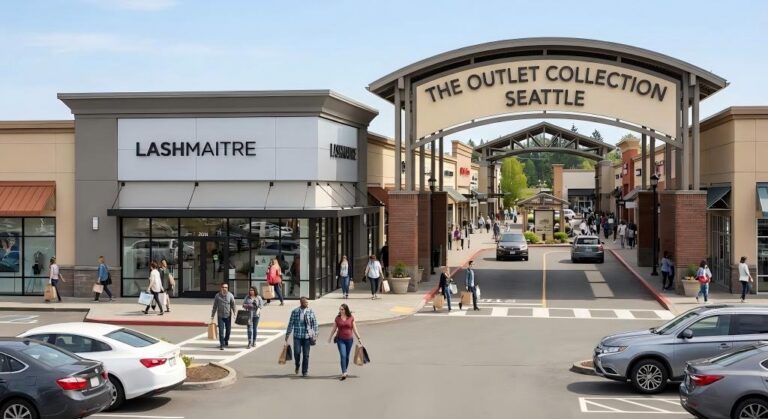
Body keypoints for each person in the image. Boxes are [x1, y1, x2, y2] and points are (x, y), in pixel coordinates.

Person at [327, 303, 363, 380]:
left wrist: (359, 338)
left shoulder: (351, 318)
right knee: (343, 355)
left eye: (342, 309)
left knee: (346, 356)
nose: (340, 311)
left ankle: (345, 370)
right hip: (340, 339)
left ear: (346, 310)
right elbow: (334, 329)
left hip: (349, 340)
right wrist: (330, 337)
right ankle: (344, 372)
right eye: (340, 309)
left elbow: (354, 329)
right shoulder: (337, 318)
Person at [285, 297, 318, 377]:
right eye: (305, 302)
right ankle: (297, 364)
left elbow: (315, 323)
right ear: (301, 303)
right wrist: (287, 334)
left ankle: (305, 371)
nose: (307, 304)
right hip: (297, 336)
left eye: (307, 302)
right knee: (297, 352)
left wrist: (315, 334)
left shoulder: (310, 311)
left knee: (306, 355)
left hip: (307, 337)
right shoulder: (295, 312)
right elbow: (291, 323)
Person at [210, 283, 236, 350]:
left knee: (228, 330)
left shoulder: (230, 295)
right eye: (223, 287)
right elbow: (215, 306)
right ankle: (221, 344)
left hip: (228, 316)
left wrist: (234, 313)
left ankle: (226, 340)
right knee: (221, 331)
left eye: (226, 287)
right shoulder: (217, 296)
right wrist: (212, 315)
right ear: (221, 288)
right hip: (220, 316)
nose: (225, 288)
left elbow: (233, 305)